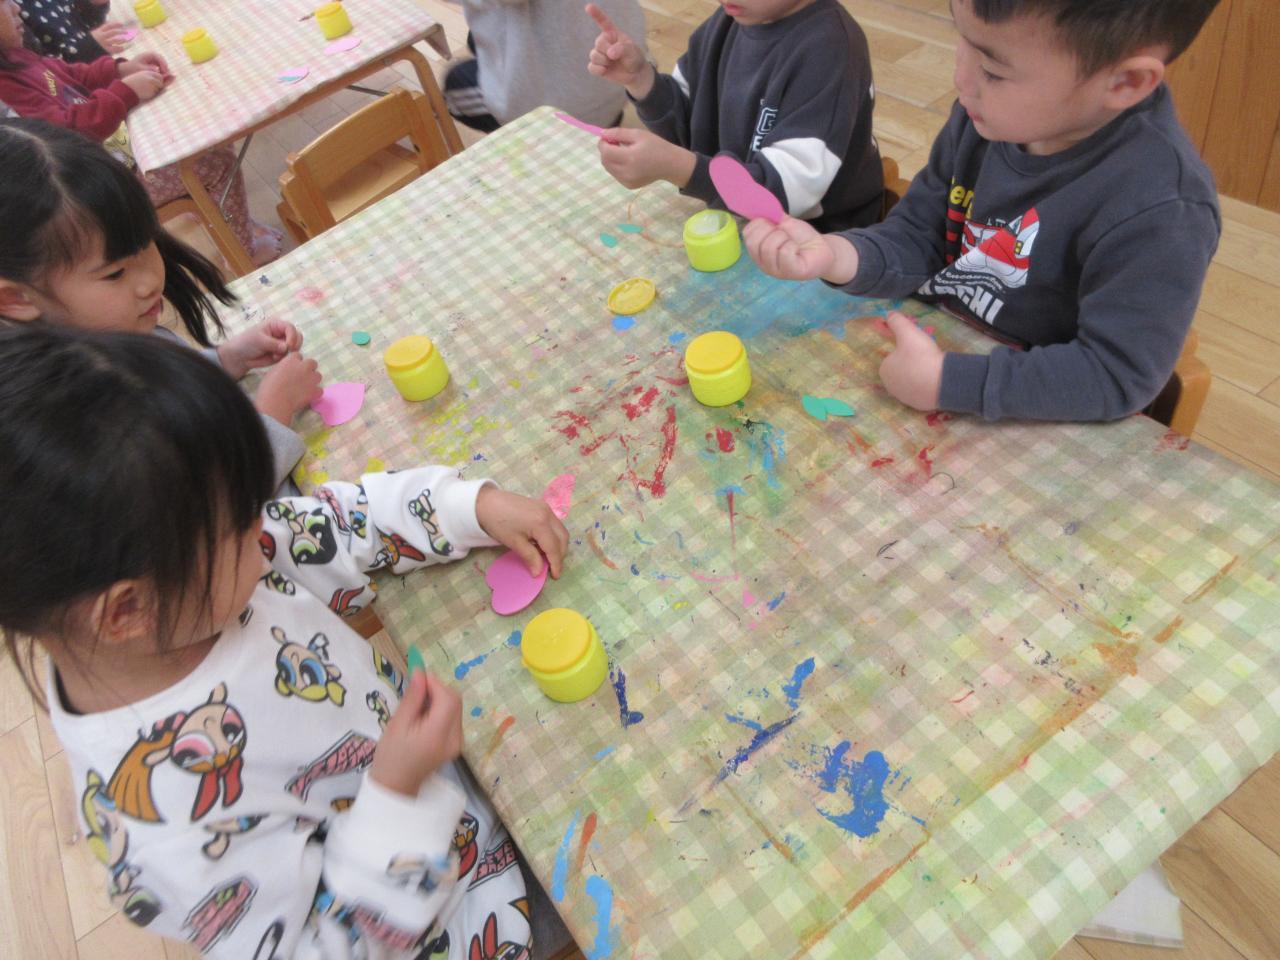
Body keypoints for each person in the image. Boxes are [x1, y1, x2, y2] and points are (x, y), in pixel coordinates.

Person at [0, 325, 573, 958]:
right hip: (473, 918)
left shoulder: (189, 582)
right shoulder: (163, 833)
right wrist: (396, 794)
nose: (265, 523)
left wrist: (470, 507)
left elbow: (334, 525)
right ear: (125, 610)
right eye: (241, 523)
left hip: (461, 786)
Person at [745, 0, 1222, 422]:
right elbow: (920, 235)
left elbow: (1115, 375)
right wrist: (836, 254)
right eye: (963, 40)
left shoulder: (1163, 210)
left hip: (1030, 404)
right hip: (940, 349)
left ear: (1125, 82)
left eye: (993, 69)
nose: (961, 80)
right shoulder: (986, 119)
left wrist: (948, 383)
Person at [0, 119, 315, 490]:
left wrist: (229, 358)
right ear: (16, 298)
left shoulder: (114, 330)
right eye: (115, 273)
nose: (151, 281)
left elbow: (176, 388)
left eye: (147, 243)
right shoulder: (84, 423)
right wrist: (273, 412)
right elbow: (212, 506)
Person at [0, 0, 282, 264]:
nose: (16, 7)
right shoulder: (6, 86)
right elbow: (70, 131)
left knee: (204, 139)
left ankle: (229, 220)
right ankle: (244, 253)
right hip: (108, 188)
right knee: (216, 163)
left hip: (118, 156)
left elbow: (75, 75)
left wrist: (121, 70)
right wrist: (125, 92)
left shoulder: (16, 55)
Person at [585, 0, 884, 231]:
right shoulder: (729, 20)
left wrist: (679, 167)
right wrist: (641, 79)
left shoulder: (829, 51)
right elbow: (689, 125)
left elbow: (786, 195)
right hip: (736, 214)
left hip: (822, 239)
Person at [445, 0, 645, 133]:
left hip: (564, 113)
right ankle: (606, 120)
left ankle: (531, 143)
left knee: (454, 88)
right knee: (477, 37)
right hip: (623, 77)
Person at [16, 0, 128, 62]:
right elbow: (44, 73)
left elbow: (83, 20)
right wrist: (88, 48)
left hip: (101, 63)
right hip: (78, 86)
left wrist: (92, 5)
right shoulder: (11, 13)